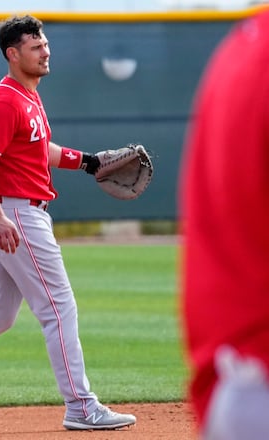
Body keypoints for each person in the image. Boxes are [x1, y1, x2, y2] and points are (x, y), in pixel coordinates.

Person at [0, 14, 137, 432]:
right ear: (13, 54)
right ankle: (81, 405)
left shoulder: (27, 96)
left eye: (45, 43)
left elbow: (37, 148)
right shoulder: (5, 100)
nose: (46, 50)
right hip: (16, 215)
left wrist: (88, 162)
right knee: (59, 308)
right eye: (36, 46)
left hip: (16, 213)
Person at [180, 8, 269, 440]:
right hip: (260, 374)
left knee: (9, 312)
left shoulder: (239, 48)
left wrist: (84, 162)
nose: (43, 49)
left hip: (240, 382)